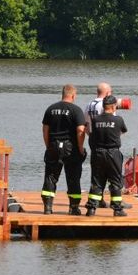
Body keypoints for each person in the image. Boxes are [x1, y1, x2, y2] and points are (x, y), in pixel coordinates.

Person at [41, 84, 87, 215]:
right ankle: (73, 208)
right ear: (73, 95)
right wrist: (80, 147)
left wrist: (48, 146)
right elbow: (80, 130)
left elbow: (45, 129)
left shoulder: (51, 109)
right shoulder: (76, 110)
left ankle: (48, 208)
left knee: (50, 176)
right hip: (70, 147)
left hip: (53, 146)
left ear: (63, 94)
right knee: (73, 177)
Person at [85, 95, 128, 217]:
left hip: (98, 153)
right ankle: (117, 209)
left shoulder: (95, 120)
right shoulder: (118, 120)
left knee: (97, 181)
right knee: (115, 181)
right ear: (114, 106)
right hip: (113, 153)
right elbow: (122, 131)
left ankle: (91, 209)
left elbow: (92, 135)